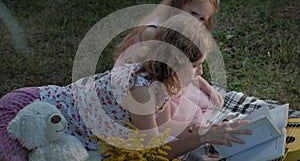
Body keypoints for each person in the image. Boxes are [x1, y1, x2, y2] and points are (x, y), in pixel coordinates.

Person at [0, 14, 252, 161]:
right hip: (28, 111)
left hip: (57, 131)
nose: (200, 73)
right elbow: (156, 153)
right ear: (176, 62)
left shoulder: (163, 83)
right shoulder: (142, 93)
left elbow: (160, 138)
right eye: (197, 65)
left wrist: (203, 130)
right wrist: (202, 136)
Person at [113, 0, 223, 126]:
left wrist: (208, 88)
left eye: (202, 19)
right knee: (188, 113)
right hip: (145, 83)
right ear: (178, 2)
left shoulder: (179, 31)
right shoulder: (153, 33)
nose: (195, 21)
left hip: (165, 75)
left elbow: (181, 66)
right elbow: (170, 69)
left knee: (204, 100)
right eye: (193, 13)